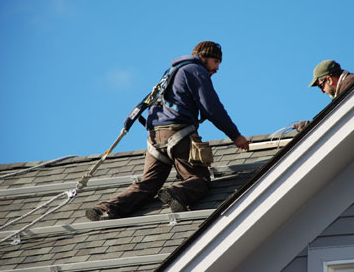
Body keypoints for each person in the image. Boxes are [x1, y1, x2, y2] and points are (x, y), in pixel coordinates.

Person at [85, 41, 249, 221]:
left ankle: (105, 209)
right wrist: (235, 136)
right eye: (216, 62)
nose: (217, 68)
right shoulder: (196, 70)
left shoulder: (171, 72)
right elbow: (212, 108)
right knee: (199, 180)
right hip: (179, 134)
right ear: (203, 57)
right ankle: (175, 193)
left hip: (155, 138)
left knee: (148, 185)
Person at [293, 59, 354, 132]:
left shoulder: (349, 86)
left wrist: (311, 127)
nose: (322, 91)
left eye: (320, 86)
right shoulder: (348, 86)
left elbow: (335, 119)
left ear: (329, 80)